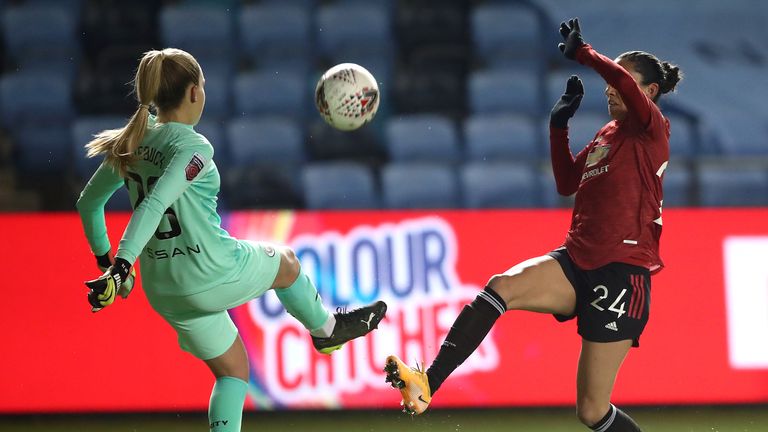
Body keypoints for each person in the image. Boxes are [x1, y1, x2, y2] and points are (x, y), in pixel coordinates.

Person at [384, 18, 682, 432]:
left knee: (592, 411)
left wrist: (587, 54)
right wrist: (558, 128)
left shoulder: (652, 129)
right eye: (611, 80)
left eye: (622, 79)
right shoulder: (608, 135)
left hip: (622, 273)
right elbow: (566, 183)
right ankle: (426, 384)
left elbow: (625, 87)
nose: (612, 87)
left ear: (649, 92)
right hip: (577, 261)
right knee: (500, 287)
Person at [76, 48, 387, 432]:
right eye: (203, 86)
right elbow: (156, 202)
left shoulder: (132, 142)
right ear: (194, 93)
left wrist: (107, 262)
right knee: (286, 263)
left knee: (234, 371)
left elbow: (89, 203)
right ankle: (327, 331)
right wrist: (121, 265)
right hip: (208, 269)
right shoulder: (193, 147)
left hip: (163, 288)